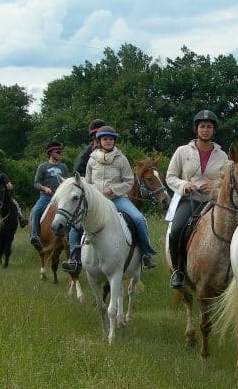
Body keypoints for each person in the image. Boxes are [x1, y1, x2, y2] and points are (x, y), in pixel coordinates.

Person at [166, 109, 229, 289]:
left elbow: (225, 181)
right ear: (196, 129)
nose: (205, 130)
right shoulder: (182, 151)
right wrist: (185, 185)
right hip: (189, 199)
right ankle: (178, 270)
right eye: (202, 126)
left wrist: (214, 185)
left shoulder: (222, 155)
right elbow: (170, 177)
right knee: (177, 229)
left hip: (213, 200)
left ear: (213, 130)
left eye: (209, 127)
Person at [85, 125, 157, 268]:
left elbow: (129, 182)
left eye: (111, 139)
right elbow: (87, 183)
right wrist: (95, 193)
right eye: (105, 139)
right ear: (99, 141)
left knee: (139, 219)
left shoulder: (121, 159)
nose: (108, 141)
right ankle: (74, 257)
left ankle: (145, 254)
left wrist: (113, 189)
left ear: (114, 141)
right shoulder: (92, 160)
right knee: (75, 224)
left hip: (118, 199)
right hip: (97, 202)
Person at [61, 118, 105, 275]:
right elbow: (78, 179)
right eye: (96, 137)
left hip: (112, 196)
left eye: (102, 137)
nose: (99, 141)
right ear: (93, 138)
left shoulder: (116, 153)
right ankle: (74, 258)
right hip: (90, 198)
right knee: (77, 226)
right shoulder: (84, 156)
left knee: (134, 218)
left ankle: (140, 255)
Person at [30, 142, 69, 251]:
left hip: (61, 197)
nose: (60, 153)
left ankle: (71, 236)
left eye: (61, 151)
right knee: (36, 210)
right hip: (46, 196)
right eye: (58, 152)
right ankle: (34, 235)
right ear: (51, 153)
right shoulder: (43, 167)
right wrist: (45, 188)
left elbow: (67, 182)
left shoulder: (64, 167)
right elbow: (36, 183)